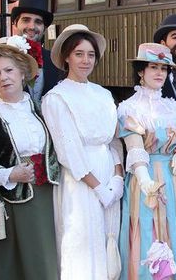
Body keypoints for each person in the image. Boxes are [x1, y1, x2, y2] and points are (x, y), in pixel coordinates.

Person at [0, 35, 60, 280]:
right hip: (7, 197)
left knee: (43, 255)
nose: (4, 77)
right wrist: (9, 174)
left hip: (45, 194)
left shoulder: (39, 107)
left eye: (8, 70)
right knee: (11, 263)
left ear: (21, 73)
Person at [41, 24, 124, 280]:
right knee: (81, 241)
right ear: (67, 56)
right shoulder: (57, 97)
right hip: (81, 180)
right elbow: (68, 151)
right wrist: (98, 187)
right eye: (79, 53)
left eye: (90, 54)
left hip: (108, 171)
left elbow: (114, 140)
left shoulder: (103, 94)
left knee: (108, 240)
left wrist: (118, 177)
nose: (85, 60)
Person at [118, 42, 176, 280]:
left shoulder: (174, 107)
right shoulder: (129, 108)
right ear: (141, 72)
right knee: (149, 231)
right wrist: (145, 181)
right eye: (153, 67)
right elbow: (134, 149)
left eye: (163, 69)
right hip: (148, 181)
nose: (159, 73)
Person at [10, 0, 62, 104]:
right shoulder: (1, 57)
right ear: (15, 24)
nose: (32, 26)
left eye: (38, 22)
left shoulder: (54, 60)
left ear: (44, 29)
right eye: (26, 20)